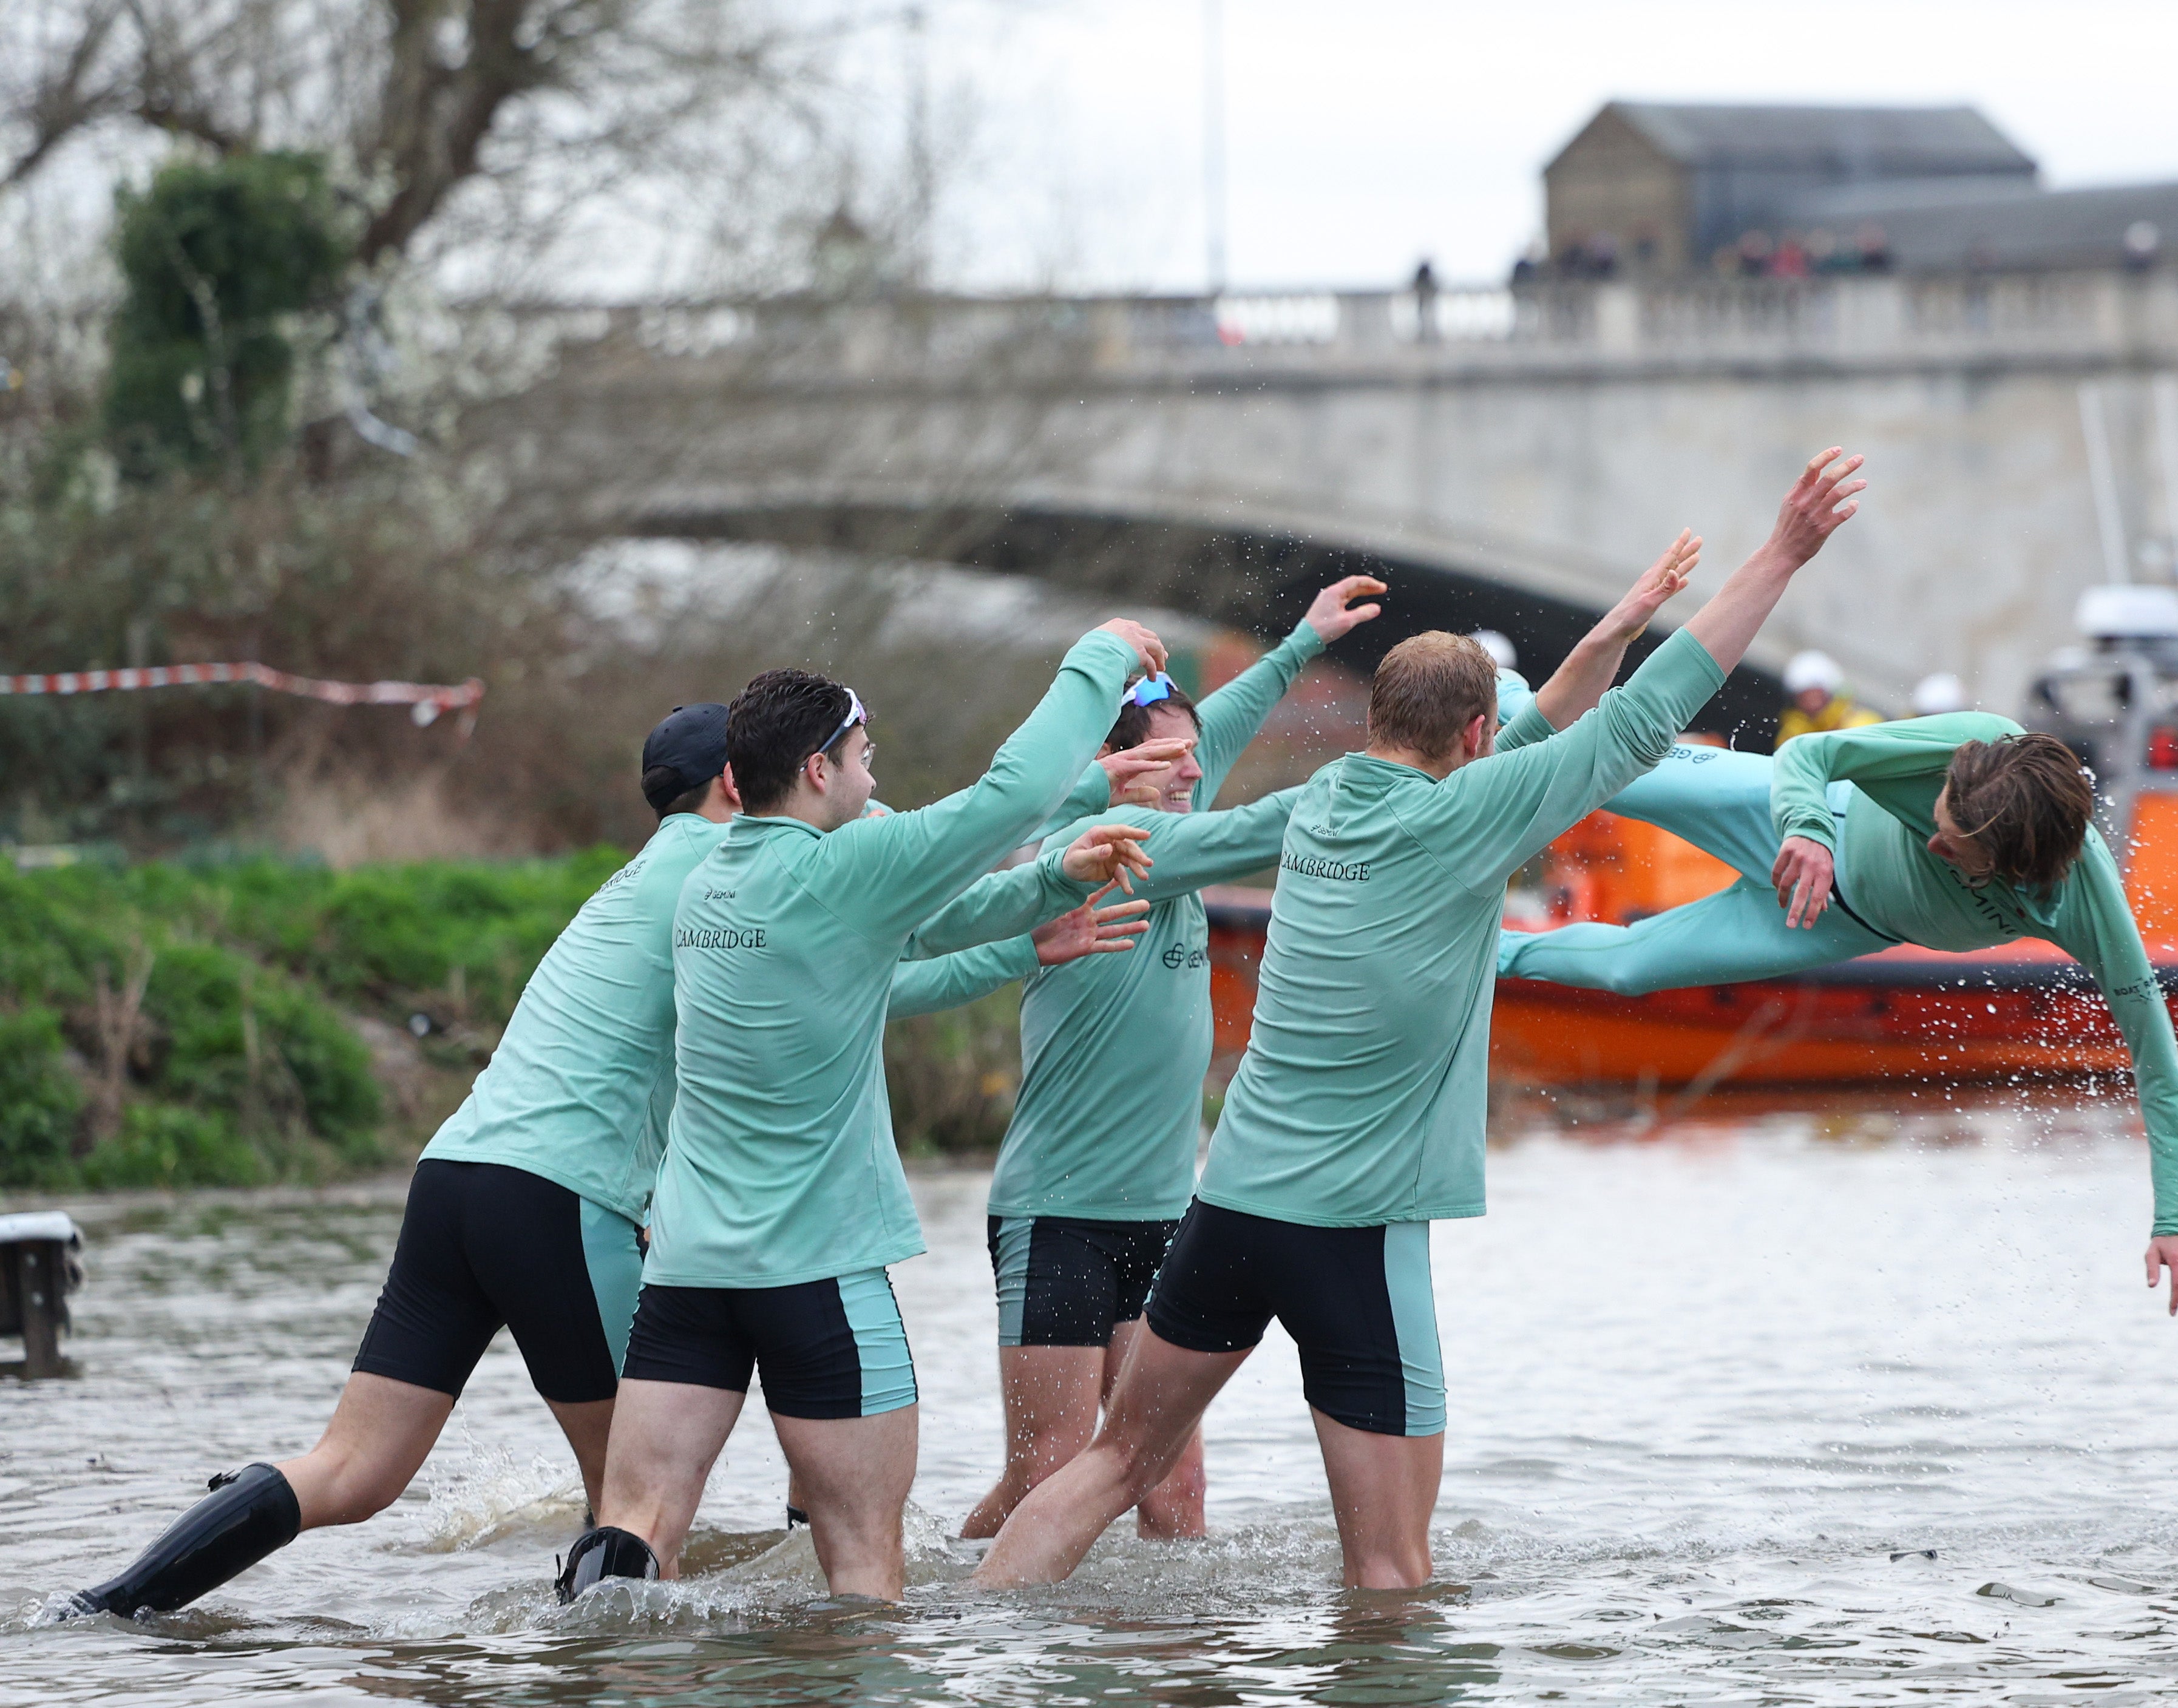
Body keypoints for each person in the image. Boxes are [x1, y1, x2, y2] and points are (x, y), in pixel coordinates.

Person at [971, 448, 1868, 1593]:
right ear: (1477, 739)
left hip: (1230, 1204)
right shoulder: (1480, 813)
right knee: (1392, 1571)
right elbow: (1652, 714)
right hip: (1357, 1230)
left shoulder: (1317, 802)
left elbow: (1163, 845)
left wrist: (1053, 844)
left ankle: (976, 1649)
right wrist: (1781, 553)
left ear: (1380, 715)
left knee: (1110, 1465)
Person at [60, 706, 744, 1619]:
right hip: (555, 1201)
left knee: (349, 1469)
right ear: (737, 782)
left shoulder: (626, 883)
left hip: (453, 1180)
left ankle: (103, 1606)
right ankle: (598, 1670)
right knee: (636, 1493)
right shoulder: (728, 869)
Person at [559, 619, 1170, 1604]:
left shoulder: (706, 881)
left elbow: (916, 927)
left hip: (688, 1273)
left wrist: (1050, 887)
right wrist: (1099, 659)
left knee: (636, 1524)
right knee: (862, 1559)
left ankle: (593, 1668)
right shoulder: (840, 871)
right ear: (816, 769)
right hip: (820, 1272)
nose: (875, 777)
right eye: (864, 757)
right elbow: (1013, 793)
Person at [889, 577, 1388, 1545]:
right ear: (1112, 764)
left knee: (1174, 1492)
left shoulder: (1170, 815)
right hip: (1058, 1213)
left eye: (1195, 760)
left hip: (1166, 1216)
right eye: (1169, 759)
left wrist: (1293, 647)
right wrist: (1395, 772)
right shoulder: (1105, 840)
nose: (1194, 772)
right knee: (1047, 1470)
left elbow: (1207, 744)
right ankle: (956, 1605)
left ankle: (1170, 1666)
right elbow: (1257, 825)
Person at [1493, 705, 2178, 1321]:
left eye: (1951, 851)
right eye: (1937, 822)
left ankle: (1481, 952)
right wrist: (1805, 828)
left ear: (2012, 867)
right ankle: (1493, 692)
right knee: (1600, 773)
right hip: (1800, 820)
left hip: (1830, 924)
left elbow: (2155, 1058)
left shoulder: (2087, 908)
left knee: (1629, 969)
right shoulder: (1973, 744)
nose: (1932, 843)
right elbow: (1812, 753)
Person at [1776, 649, 1881, 748]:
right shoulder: (1792, 736)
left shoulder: (1861, 726)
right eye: (1803, 696)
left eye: (1816, 694)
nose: (1811, 701)